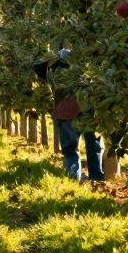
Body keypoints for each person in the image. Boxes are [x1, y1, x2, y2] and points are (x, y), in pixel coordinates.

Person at [34, 47, 102, 182]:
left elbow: (41, 72)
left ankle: (73, 176)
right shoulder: (84, 69)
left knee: (70, 148)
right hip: (87, 111)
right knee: (94, 145)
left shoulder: (51, 71)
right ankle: (96, 177)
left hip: (65, 113)